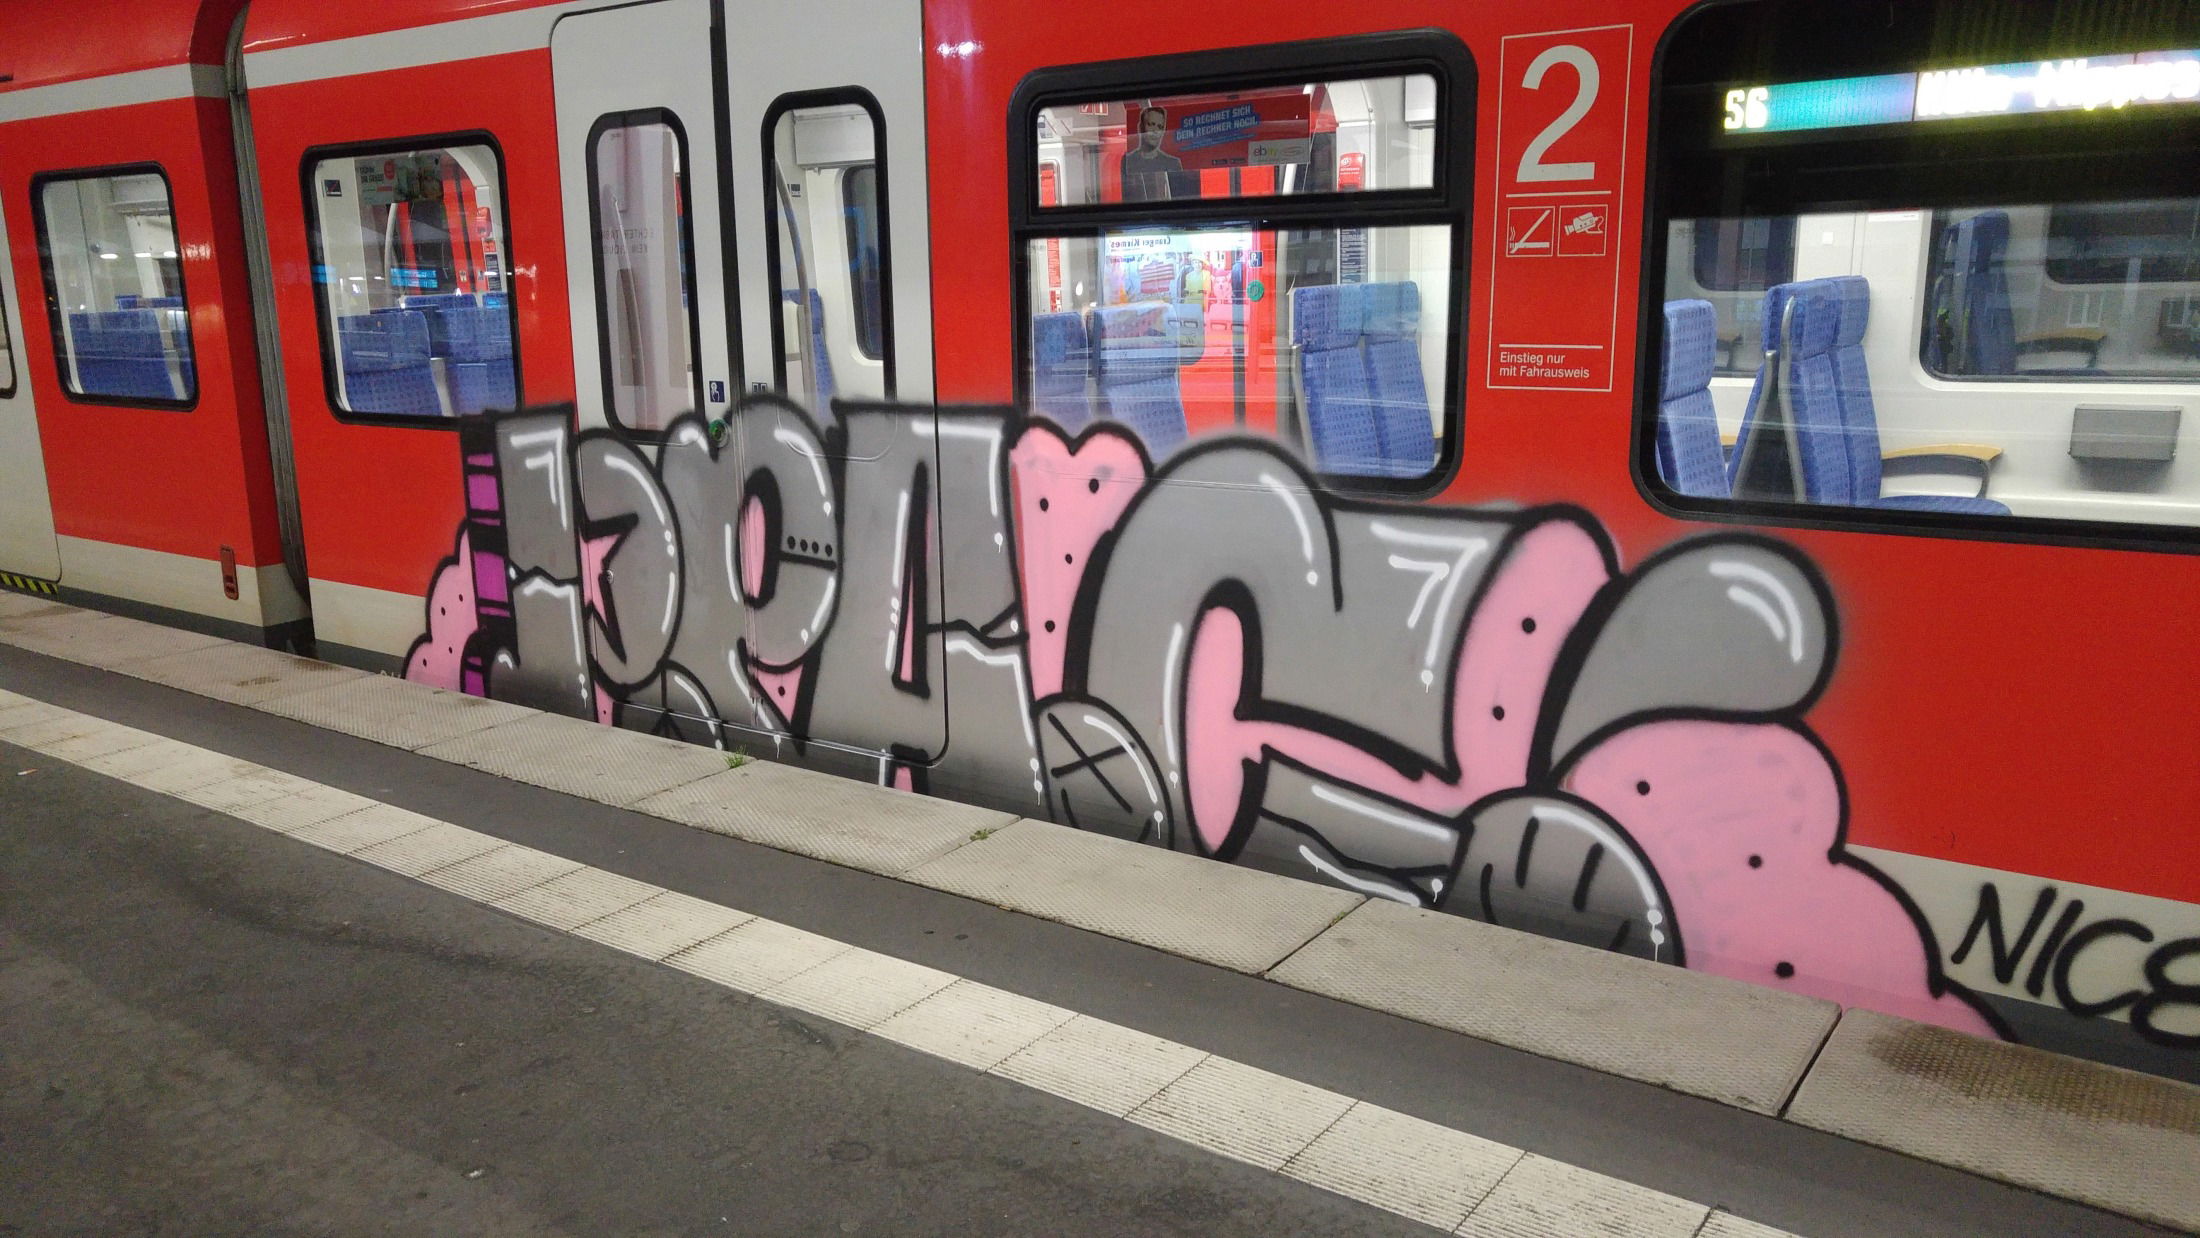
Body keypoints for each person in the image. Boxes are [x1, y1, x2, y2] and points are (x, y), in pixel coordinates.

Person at [1120, 106, 1183, 202]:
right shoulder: (1128, 161)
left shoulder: (1173, 163)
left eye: (1160, 127)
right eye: (1151, 124)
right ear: (1141, 128)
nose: (1155, 131)